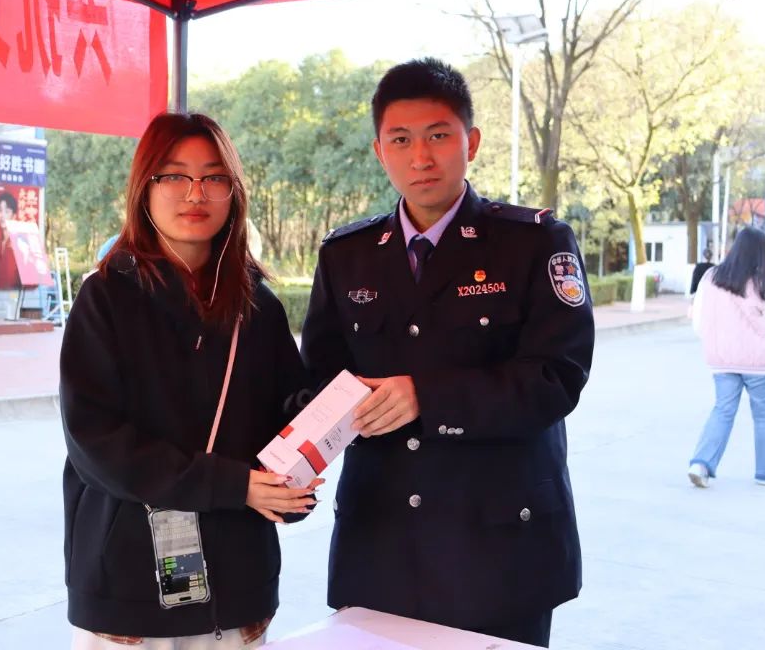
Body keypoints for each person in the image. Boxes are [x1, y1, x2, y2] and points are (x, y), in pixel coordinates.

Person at [300, 58, 595, 648]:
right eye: (400, 140)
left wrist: (425, 398)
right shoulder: (347, 254)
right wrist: (294, 457)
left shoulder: (534, 242)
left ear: (471, 142)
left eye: (438, 136)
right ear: (379, 151)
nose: (421, 158)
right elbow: (318, 382)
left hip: (498, 547)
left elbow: (556, 378)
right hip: (381, 544)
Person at [59, 112, 320, 650]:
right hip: (129, 593)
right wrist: (234, 485)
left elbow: (289, 422)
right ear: (145, 187)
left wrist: (301, 468)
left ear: (234, 191)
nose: (195, 193)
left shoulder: (259, 307)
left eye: (214, 177)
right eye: (175, 175)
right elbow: (95, 443)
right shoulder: (106, 298)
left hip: (239, 586)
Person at [687, 227, 765, 489]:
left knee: (722, 410)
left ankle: (701, 464)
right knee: (764, 415)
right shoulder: (761, 279)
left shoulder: (711, 277)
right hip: (759, 360)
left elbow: (699, 318)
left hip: (722, 357)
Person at [0, 191, 21, 289]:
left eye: (6, 211)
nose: (2, 215)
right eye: (0, 210)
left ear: (14, 216)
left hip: (15, 295)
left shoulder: (20, 244)